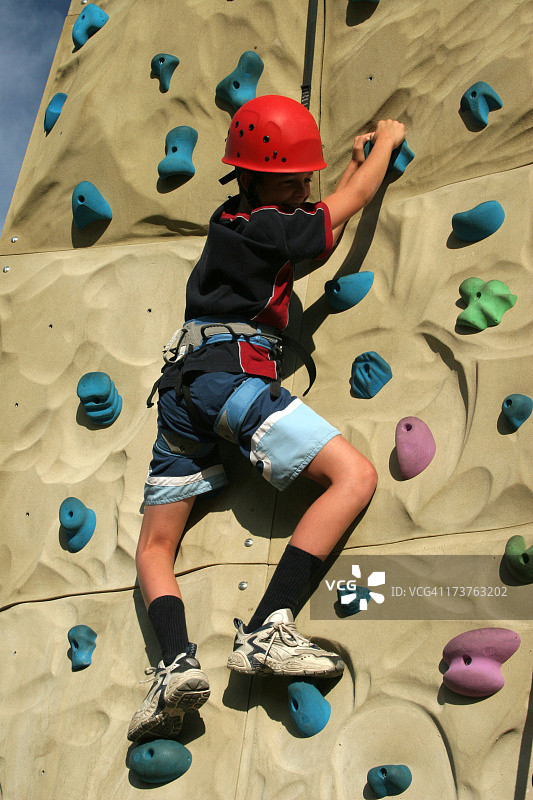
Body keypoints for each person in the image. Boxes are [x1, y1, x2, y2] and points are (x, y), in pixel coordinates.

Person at [127, 95, 405, 742]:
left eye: (306, 178)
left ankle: (172, 668)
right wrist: (384, 143)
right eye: (293, 179)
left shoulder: (235, 218)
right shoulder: (274, 227)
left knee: (152, 548)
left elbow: (311, 213)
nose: (304, 186)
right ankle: (266, 628)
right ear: (259, 178)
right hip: (232, 378)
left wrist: (333, 174)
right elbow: (344, 209)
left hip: (182, 389)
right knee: (354, 478)